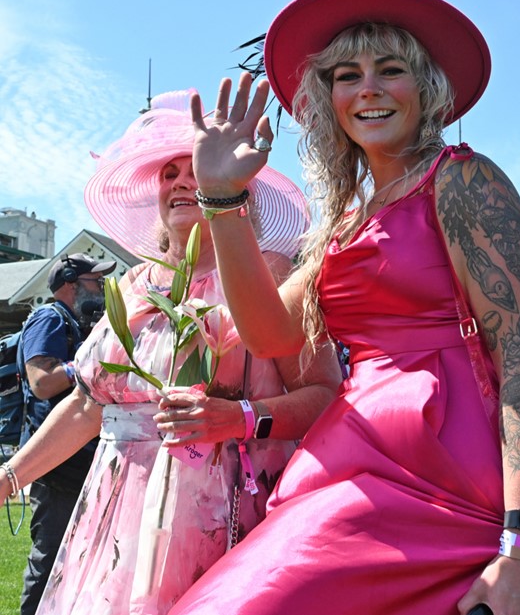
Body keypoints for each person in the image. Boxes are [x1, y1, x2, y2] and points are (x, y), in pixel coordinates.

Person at [170, 0, 520, 615]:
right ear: (329, 98)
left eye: (390, 69)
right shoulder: (343, 225)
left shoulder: (464, 178)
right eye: (347, 76)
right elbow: (268, 335)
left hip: (447, 473)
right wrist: (222, 199)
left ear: (426, 87)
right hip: (354, 458)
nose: (368, 89)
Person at [0, 92, 341, 615]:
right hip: (119, 522)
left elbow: (325, 397)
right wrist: (10, 477)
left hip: (227, 516)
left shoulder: (273, 274)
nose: (181, 181)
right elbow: (89, 405)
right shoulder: (133, 284)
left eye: (196, 168)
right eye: (168, 174)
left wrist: (239, 416)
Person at [15, 253, 115, 615]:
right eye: (95, 281)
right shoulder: (50, 317)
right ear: (71, 284)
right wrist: (87, 363)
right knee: (50, 561)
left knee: (80, 559)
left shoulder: (80, 324)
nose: (101, 288)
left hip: (81, 461)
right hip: (57, 468)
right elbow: (42, 382)